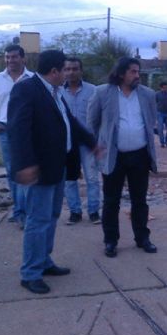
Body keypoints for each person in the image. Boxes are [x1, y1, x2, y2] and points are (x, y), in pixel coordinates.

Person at [8, 49, 98, 294]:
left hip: (58, 165)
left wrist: (91, 142)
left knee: (51, 216)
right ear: (55, 71)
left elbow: (70, 123)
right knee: (38, 220)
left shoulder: (55, 92)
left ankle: (44, 261)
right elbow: (18, 130)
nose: (68, 74)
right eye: (64, 70)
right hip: (38, 169)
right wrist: (25, 164)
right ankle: (30, 273)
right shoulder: (27, 89)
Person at [87, 57, 158, 258]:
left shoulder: (147, 94)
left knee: (140, 200)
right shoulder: (102, 92)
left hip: (140, 155)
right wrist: (98, 146)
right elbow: (92, 123)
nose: (137, 75)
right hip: (113, 156)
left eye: (138, 71)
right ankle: (110, 241)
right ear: (120, 73)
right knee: (111, 201)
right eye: (133, 72)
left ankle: (142, 238)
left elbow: (150, 120)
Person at [0, 44, 33, 228]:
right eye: (8, 57)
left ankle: (24, 211)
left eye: (14, 57)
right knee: (12, 171)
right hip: (5, 130)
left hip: (28, 130)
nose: (11, 60)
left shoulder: (33, 79)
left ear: (23, 58)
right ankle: (19, 210)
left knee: (27, 170)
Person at [61, 57, 101, 225]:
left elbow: (100, 115)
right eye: (67, 69)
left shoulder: (93, 91)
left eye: (75, 69)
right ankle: (75, 212)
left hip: (88, 143)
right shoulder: (57, 91)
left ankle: (93, 211)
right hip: (67, 143)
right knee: (69, 180)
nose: (71, 72)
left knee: (92, 178)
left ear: (81, 70)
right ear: (63, 71)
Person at [155, 81, 167, 149]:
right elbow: (154, 102)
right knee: (160, 129)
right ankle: (162, 143)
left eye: (166, 87)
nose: (165, 89)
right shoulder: (157, 94)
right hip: (160, 113)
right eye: (164, 88)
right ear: (161, 88)